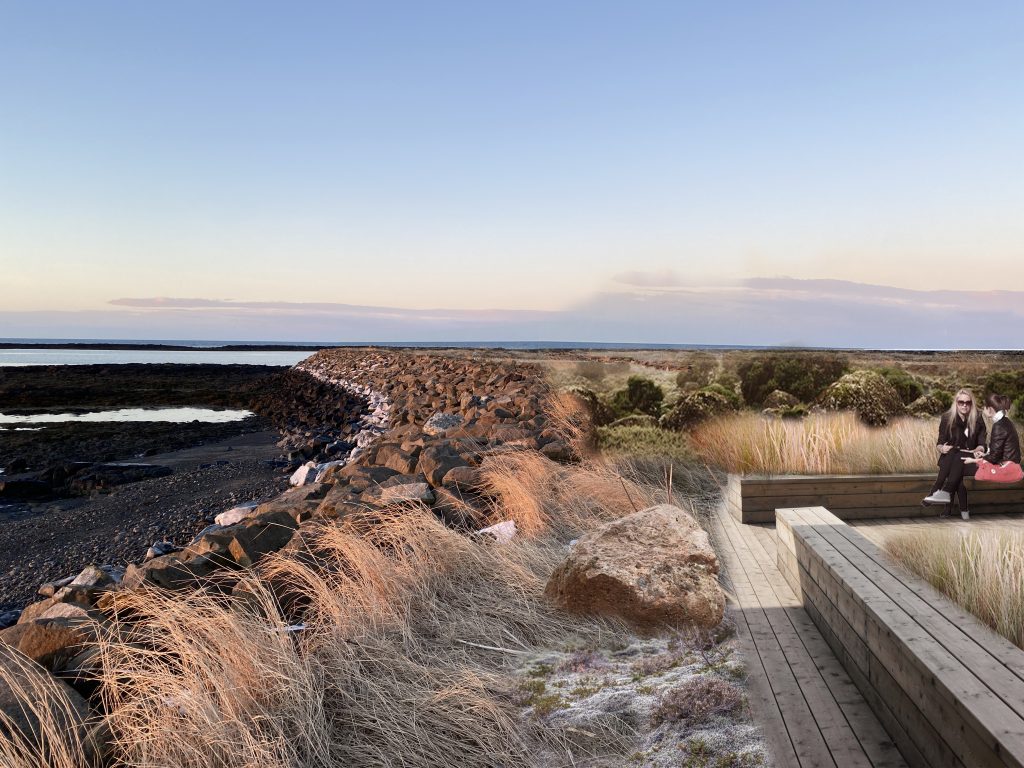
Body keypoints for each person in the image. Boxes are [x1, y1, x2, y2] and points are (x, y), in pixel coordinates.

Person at [922, 388, 986, 519]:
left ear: (971, 404)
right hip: (950, 457)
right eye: (961, 402)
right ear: (956, 403)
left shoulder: (978, 417)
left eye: (967, 402)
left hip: (969, 459)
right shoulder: (947, 417)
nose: (964, 405)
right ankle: (963, 512)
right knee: (957, 476)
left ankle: (935, 492)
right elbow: (940, 442)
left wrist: (979, 450)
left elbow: (982, 442)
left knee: (956, 460)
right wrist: (941, 448)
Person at [964, 393, 1022, 483]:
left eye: (984, 407)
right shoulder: (1005, 422)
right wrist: (984, 455)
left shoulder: (999, 425)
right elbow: (998, 452)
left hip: (1006, 468)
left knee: (967, 468)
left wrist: (974, 460)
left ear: (990, 409)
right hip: (1011, 465)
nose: (983, 410)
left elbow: (994, 457)